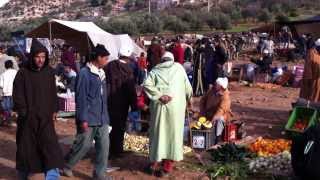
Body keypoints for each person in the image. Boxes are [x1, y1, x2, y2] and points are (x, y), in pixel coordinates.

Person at [13, 39, 64, 179]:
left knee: (50, 147)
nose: (40, 60)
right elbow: (17, 95)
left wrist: (54, 110)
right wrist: (24, 113)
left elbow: (53, 93)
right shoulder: (23, 73)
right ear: (32, 57)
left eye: (43, 57)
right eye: (37, 57)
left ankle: (52, 176)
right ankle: (23, 175)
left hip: (45, 119)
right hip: (28, 120)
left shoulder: (49, 73)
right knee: (27, 150)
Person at [62, 44, 111, 180]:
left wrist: (106, 116)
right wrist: (82, 119)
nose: (107, 61)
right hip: (88, 117)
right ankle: (67, 165)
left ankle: (99, 174)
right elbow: (81, 98)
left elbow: (103, 97)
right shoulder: (84, 73)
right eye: (105, 58)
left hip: (101, 118)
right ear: (98, 58)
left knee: (104, 147)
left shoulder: (101, 73)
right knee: (83, 145)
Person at [143, 52, 193, 177]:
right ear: (172, 59)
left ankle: (154, 163)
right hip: (176, 109)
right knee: (172, 136)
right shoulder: (179, 68)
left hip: (159, 108)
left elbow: (146, 84)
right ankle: (166, 167)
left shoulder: (155, 70)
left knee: (158, 134)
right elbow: (188, 88)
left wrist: (160, 96)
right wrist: (189, 99)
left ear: (162, 60)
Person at [104, 46, 137, 159]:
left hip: (108, 101)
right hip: (122, 103)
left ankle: (106, 150)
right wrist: (134, 105)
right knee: (119, 127)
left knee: (109, 126)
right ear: (128, 57)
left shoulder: (108, 66)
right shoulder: (128, 70)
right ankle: (117, 151)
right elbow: (131, 89)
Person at [199, 77, 231, 144]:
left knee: (219, 119)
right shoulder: (211, 90)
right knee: (199, 121)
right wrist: (202, 112)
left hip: (218, 116)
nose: (215, 84)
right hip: (208, 113)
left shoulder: (225, 96)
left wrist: (213, 120)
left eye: (217, 84)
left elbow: (221, 110)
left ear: (221, 87)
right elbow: (202, 100)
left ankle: (217, 138)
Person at [0, 60, 17, 125]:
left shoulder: (3, 74)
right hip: (14, 93)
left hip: (6, 93)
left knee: (6, 108)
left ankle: (8, 120)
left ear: (5, 66)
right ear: (12, 65)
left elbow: (1, 85)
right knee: (13, 108)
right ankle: (10, 120)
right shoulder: (16, 72)